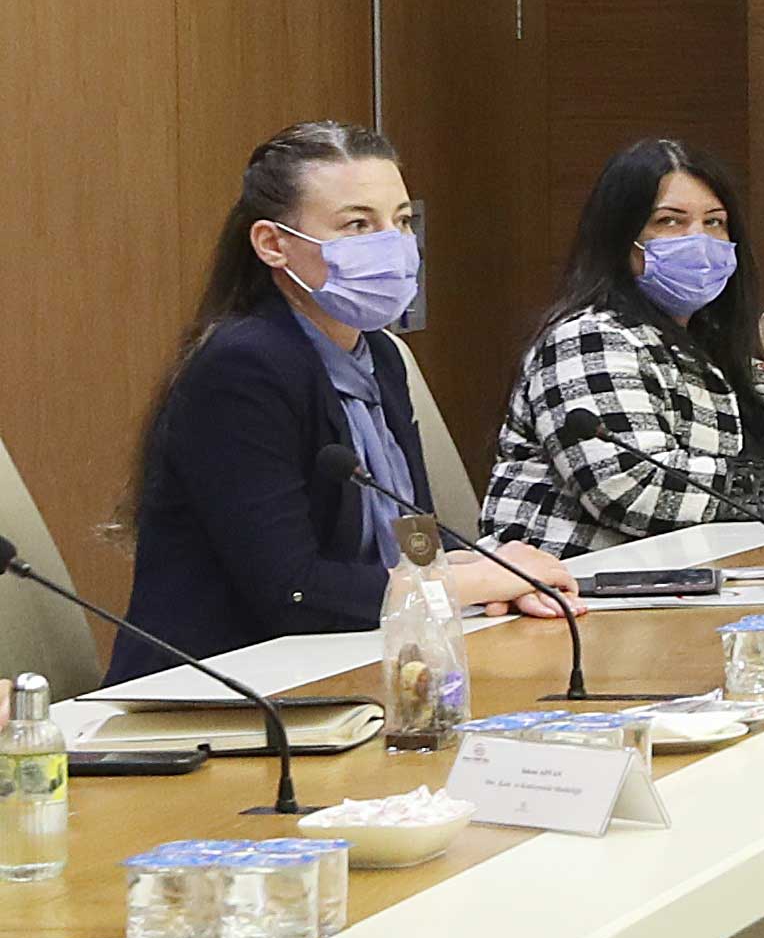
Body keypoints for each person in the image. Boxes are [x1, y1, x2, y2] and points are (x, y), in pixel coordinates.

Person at [122, 120, 573, 675]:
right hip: (221, 687)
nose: (393, 244)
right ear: (273, 245)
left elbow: (411, 538)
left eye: (401, 221)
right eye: (358, 224)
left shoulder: (379, 354)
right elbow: (293, 591)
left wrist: (489, 576)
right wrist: (470, 583)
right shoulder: (243, 367)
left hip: (348, 661)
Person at [482, 139, 764, 554]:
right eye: (670, 222)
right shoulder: (588, 339)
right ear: (620, 237)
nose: (699, 240)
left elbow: (749, 456)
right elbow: (635, 489)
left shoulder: (711, 341)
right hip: (571, 582)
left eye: (714, 222)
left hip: (694, 572)